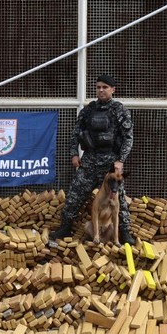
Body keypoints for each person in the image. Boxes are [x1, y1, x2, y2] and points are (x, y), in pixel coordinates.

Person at [52, 74, 134, 245]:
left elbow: (128, 137)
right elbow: (75, 134)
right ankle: (65, 227)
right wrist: (74, 154)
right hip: (89, 160)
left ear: (113, 89)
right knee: (74, 195)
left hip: (110, 163)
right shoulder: (88, 110)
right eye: (98, 87)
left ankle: (124, 232)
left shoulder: (119, 110)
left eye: (105, 87)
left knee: (118, 199)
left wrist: (120, 160)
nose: (101, 90)